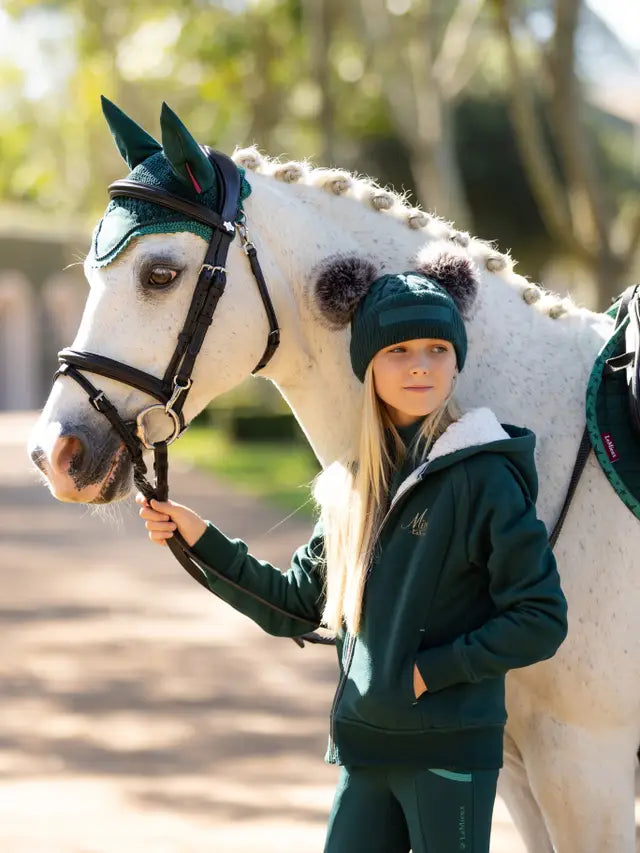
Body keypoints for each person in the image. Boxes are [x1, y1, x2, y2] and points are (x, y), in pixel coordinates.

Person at [137, 268, 568, 853]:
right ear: (368, 364)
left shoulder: (486, 477)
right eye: (399, 351)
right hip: (364, 750)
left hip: (450, 754)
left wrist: (428, 673)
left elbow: (540, 617)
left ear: (455, 362)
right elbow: (295, 604)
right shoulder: (353, 485)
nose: (420, 365)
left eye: (437, 349)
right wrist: (201, 538)